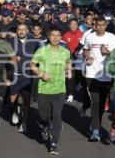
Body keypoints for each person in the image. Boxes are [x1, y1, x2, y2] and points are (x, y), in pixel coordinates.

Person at [31, 26, 72, 154]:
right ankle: (44, 125)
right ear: (49, 36)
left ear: (61, 37)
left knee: (57, 117)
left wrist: (68, 70)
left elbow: (68, 62)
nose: (55, 38)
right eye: (53, 35)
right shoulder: (41, 50)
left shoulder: (65, 51)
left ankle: (54, 143)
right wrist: (41, 74)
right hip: (44, 89)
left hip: (60, 89)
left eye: (57, 35)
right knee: (44, 115)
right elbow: (32, 65)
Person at [83, 16, 115, 141]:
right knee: (95, 102)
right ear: (94, 25)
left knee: (102, 103)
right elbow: (85, 50)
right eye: (98, 25)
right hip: (91, 74)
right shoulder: (89, 37)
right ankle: (96, 131)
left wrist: (108, 52)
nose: (100, 27)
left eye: (102, 25)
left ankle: (95, 123)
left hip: (106, 74)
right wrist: (87, 57)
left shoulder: (112, 38)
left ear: (106, 25)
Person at [8, 23, 38, 132]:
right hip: (14, 74)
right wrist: (11, 60)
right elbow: (5, 57)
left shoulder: (34, 42)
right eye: (19, 29)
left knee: (26, 100)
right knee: (13, 99)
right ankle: (15, 112)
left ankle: (24, 122)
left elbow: (39, 56)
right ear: (17, 31)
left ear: (27, 31)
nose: (21, 31)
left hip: (27, 75)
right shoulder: (11, 42)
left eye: (23, 29)